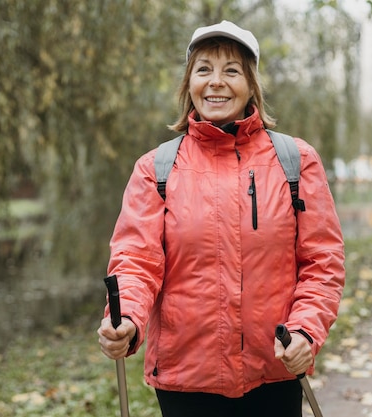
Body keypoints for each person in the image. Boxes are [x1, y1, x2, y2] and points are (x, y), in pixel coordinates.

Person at [97, 20, 345, 417]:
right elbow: (136, 262)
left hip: (275, 370)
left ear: (251, 86)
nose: (216, 82)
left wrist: (305, 330)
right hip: (186, 380)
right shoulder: (155, 169)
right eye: (204, 70)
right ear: (189, 84)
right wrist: (125, 318)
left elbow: (322, 263)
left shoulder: (296, 162)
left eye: (231, 70)